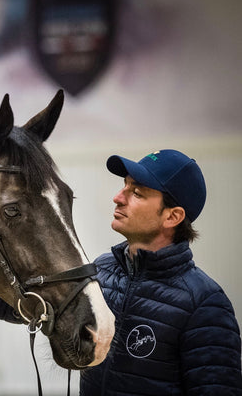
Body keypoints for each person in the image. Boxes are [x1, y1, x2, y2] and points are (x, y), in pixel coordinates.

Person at [80, 149, 242, 395]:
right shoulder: (102, 271)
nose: (118, 197)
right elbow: (30, 307)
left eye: (136, 193)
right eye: (124, 186)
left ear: (172, 216)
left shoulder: (205, 304)